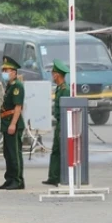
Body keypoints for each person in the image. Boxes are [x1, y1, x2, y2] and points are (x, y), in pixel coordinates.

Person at [0, 56, 25, 190]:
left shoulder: (17, 86)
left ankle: (18, 180)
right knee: (7, 154)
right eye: (3, 70)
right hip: (6, 123)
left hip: (12, 124)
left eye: (7, 70)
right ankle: (9, 179)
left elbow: (18, 107)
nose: (4, 72)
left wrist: (13, 124)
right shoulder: (9, 86)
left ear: (14, 72)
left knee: (14, 153)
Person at [43, 59, 70, 187]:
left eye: (53, 73)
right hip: (59, 123)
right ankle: (53, 177)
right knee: (55, 150)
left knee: (61, 150)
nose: (52, 76)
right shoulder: (60, 89)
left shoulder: (65, 90)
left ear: (57, 75)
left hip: (63, 123)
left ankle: (61, 176)